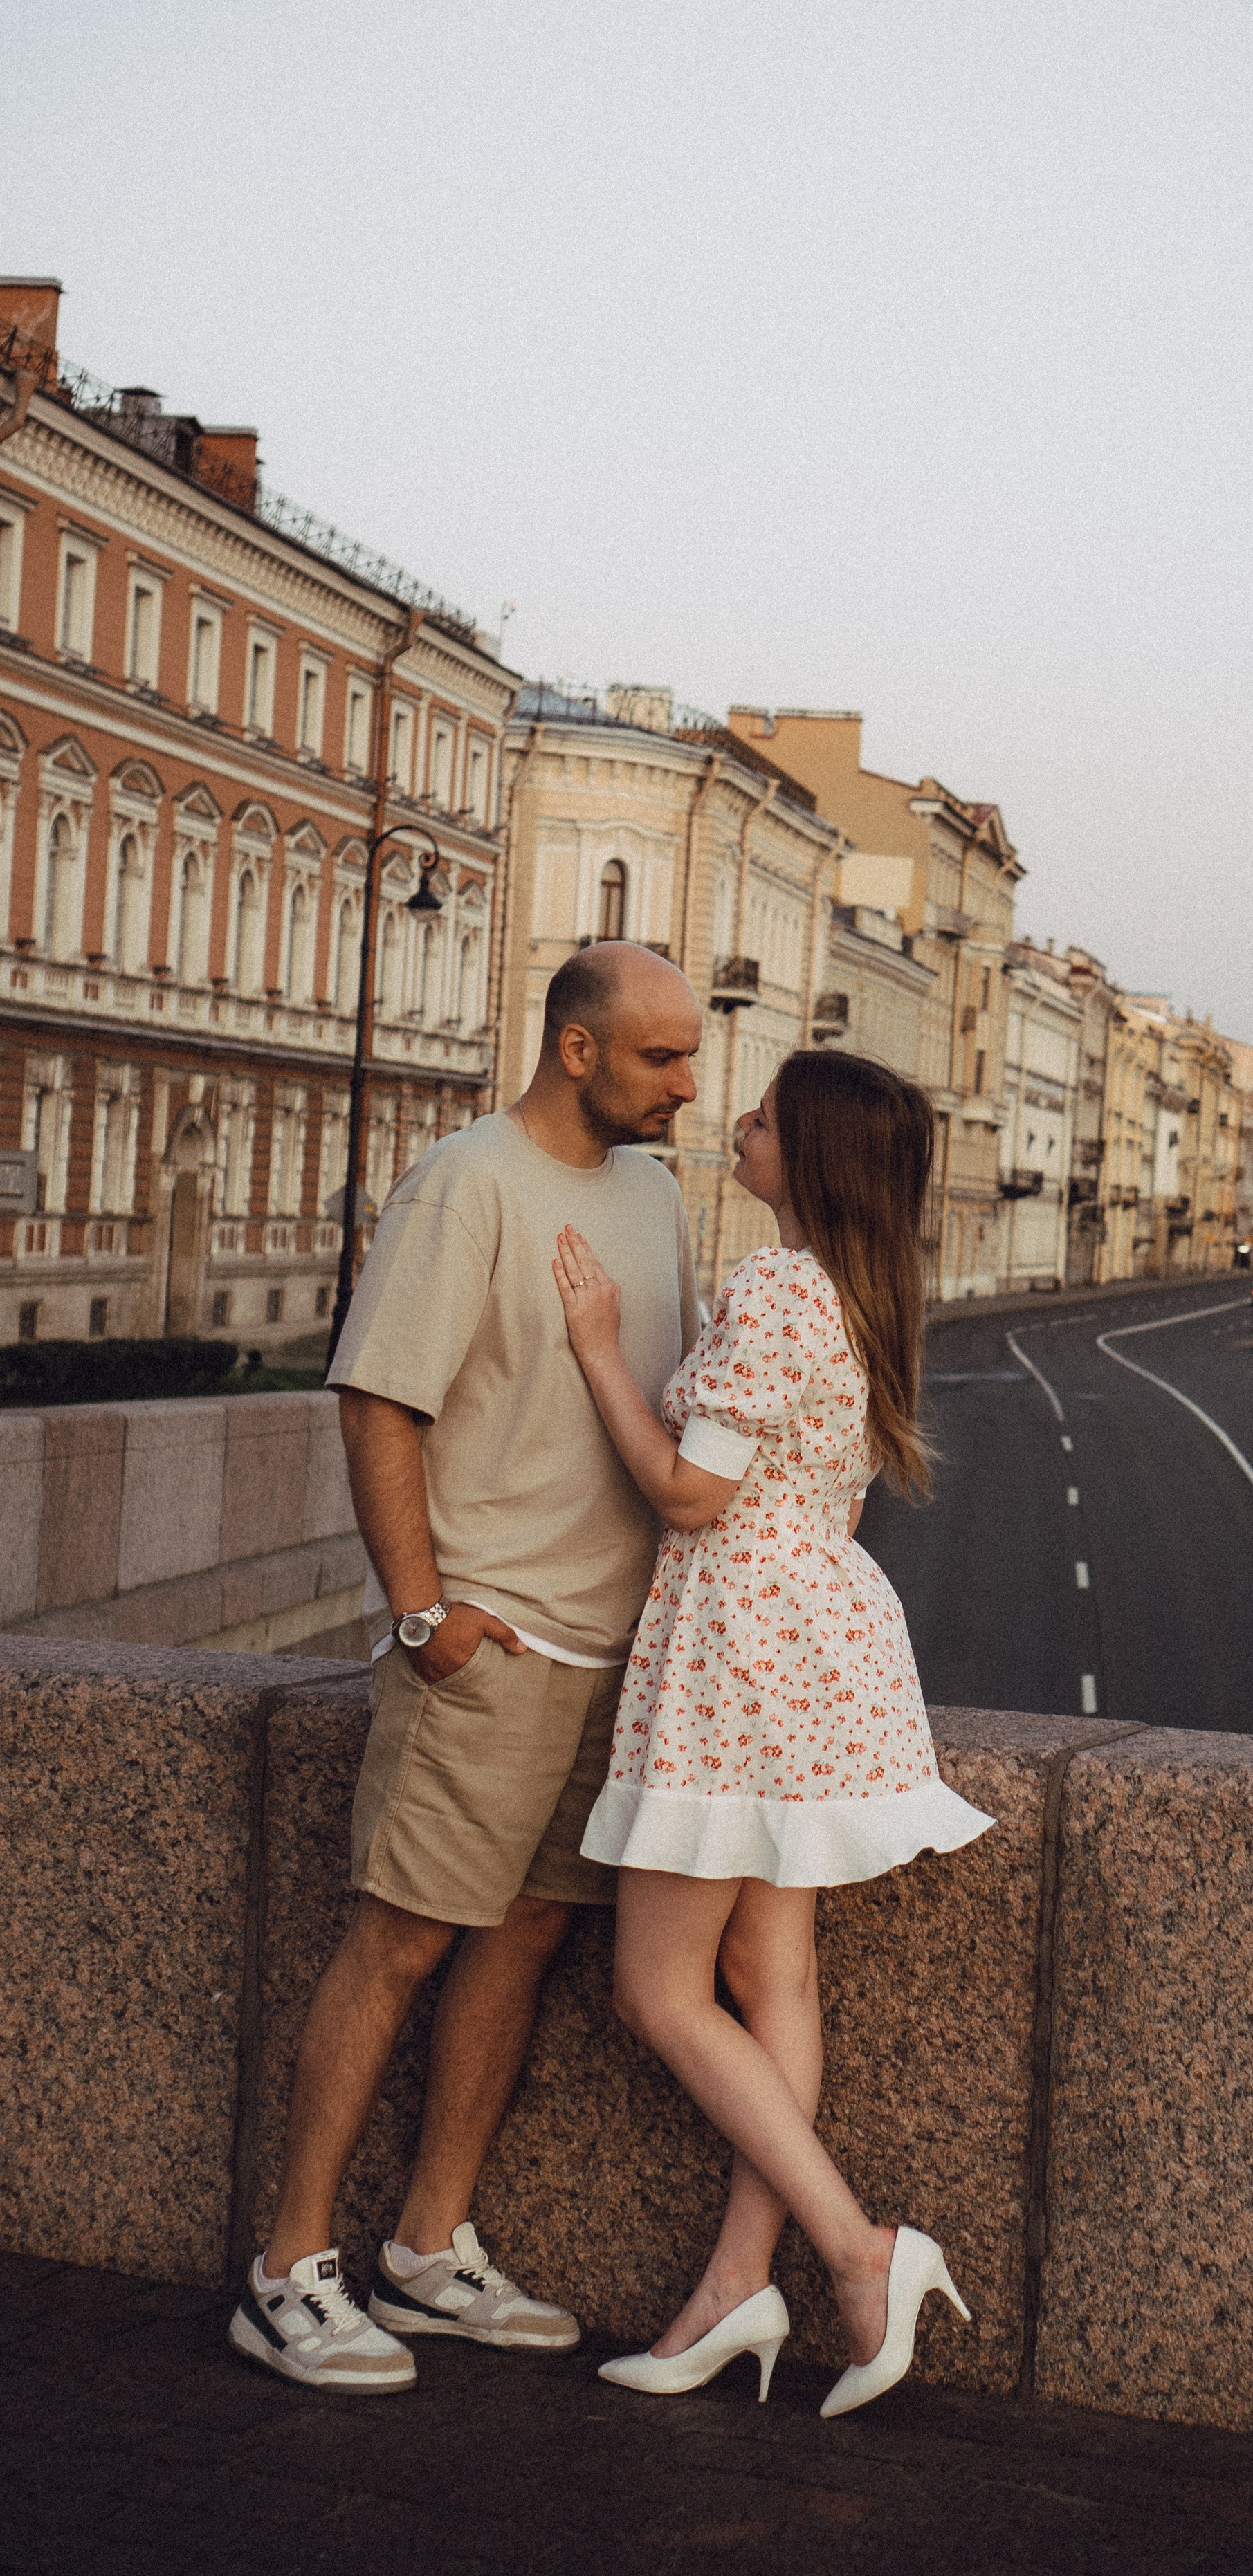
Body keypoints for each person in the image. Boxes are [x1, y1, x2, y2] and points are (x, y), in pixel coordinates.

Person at [229, 944, 704, 2395]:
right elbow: (380, 1403)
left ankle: (429, 2251)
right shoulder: (465, 1182)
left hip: (612, 1647)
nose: (688, 1085)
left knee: (524, 1939)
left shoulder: (656, 1192)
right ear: (575, 1049)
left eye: (689, 1058)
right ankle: (286, 2271)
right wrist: (424, 1613)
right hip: (488, 1643)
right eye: (659, 1059)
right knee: (401, 1940)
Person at [551, 1047, 994, 2420]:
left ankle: (859, 2253)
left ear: (803, 1158)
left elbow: (688, 1493)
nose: (733, 1126)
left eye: (758, 1118)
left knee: (660, 1991)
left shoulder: (780, 1287)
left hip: (739, 1651)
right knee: (770, 1972)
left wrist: (594, 1354)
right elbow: (836, 1503)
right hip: (823, 1639)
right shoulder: (867, 1295)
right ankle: (736, 2284)